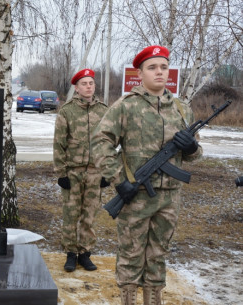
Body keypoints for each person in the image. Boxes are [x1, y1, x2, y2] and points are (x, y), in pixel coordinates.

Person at [91, 46, 202, 305]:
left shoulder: (182, 110)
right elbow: (100, 142)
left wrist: (192, 147)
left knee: (158, 254)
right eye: (152, 67)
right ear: (139, 73)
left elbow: (194, 155)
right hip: (136, 195)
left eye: (163, 67)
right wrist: (119, 180)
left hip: (170, 198)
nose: (159, 72)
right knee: (131, 254)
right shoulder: (126, 106)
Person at [53, 68, 109, 272]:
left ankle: (85, 254)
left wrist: (107, 171)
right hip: (73, 172)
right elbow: (59, 144)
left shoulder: (104, 111)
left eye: (91, 83)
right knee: (70, 214)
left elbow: (109, 143)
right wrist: (61, 173)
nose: (88, 87)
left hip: (95, 172)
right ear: (76, 88)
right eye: (84, 84)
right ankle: (70, 254)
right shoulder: (67, 111)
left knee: (89, 214)